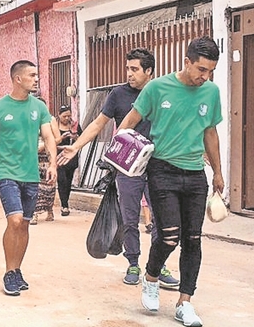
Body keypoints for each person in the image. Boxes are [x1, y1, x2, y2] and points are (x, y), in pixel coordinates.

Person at [117, 37, 224, 327]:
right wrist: (120, 152)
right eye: (201, 69)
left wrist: (218, 171)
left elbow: (210, 133)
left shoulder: (211, 92)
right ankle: (151, 277)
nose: (205, 76)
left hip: (195, 173)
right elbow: (131, 119)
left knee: (193, 238)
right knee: (169, 236)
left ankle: (184, 302)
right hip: (162, 170)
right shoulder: (157, 88)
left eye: (210, 71)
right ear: (186, 62)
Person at [57, 48, 180, 289]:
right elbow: (97, 124)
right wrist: (77, 147)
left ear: (149, 71)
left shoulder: (162, 93)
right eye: (128, 69)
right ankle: (133, 263)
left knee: (160, 217)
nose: (129, 74)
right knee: (130, 217)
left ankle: (158, 264)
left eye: (135, 69)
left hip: (159, 165)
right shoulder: (118, 95)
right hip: (128, 167)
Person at [0, 60, 58, 296]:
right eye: (32, 75)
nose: (37, 79)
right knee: (15, 221)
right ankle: (9, 272)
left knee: (25, 223)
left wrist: (53, 164)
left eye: (37, 75)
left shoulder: (38, 107)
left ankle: (18, 270)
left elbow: (48, 137)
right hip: (7, 173)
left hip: (31, 175)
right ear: (18, 79)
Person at [33, 98, 57, 224]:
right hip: (33, 157)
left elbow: (57, 138)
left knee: (48, 186)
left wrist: (45, 146)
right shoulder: (31, 119)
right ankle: (34, 213)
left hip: (46, 158)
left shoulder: (50, 119)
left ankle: (50, 210)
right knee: (34, 186)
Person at [53, 105, 80, 216]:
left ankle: (65, 202)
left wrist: (74, 137)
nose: (67, 118)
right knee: (62, 180)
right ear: (59, 115)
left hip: (71, 158)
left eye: (69, 116)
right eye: (64, 116)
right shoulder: (54, 125)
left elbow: (81, 139)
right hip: (59, 158)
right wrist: (62, 139)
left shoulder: (74, 125)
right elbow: (51, 141)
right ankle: (64, 206)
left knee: (68, 182)